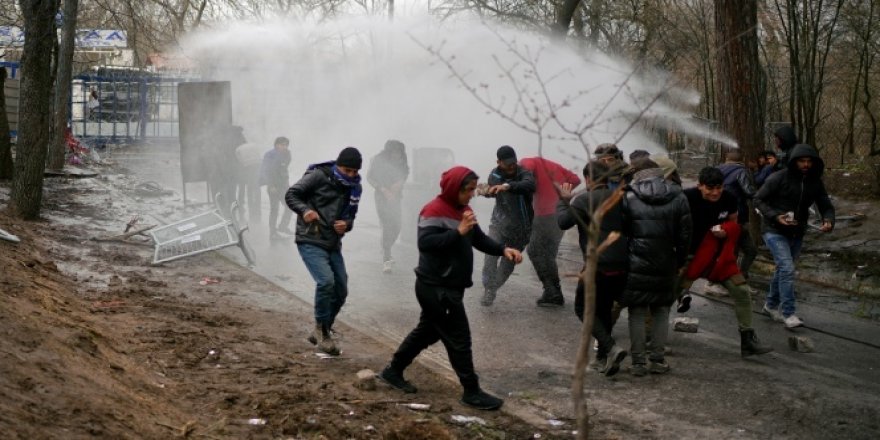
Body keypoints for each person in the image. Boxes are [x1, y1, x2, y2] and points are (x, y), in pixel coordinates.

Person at [377, 166, 523, 410]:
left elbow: (478, 238)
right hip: (436, 288)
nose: (472, 194)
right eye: (468, 190)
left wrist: (503, 249)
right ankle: (471, 391)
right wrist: (458, 232)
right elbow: (425, 243)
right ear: (454, 188)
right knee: (459, 339)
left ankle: (393, 371)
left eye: (474, 190)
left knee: (428, 331)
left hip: (448, 287)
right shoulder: (433, 210)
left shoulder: (463, 209)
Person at [678, 167, 773, 357]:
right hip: (688, 256)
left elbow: (734, 223)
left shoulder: (729, 198)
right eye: (710, 188)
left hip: (716, 257)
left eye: (718, 188)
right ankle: (652, 341)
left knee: (742, 291)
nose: (715, 193)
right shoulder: (686, 198)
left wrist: (726, 230)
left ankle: (747, 341)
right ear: (700, 186)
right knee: (663, 297)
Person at [285, 147, 364, 356]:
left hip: (332, 242)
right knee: (326, 281)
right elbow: (292, 194)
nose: (350, 175)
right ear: (338, 165)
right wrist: (305, 211)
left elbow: (351, 217)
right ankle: (322, 331)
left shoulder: (355, 188)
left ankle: (321, 329)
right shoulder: (318, 175)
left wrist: (346, 225)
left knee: (341, 289)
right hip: (310, 238)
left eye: (354, 172)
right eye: (347, 170)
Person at [557, 160, 629, 376]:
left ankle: (611, 348)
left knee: (583, 309)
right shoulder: (621, 198)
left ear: (588, 179)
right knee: (604, 309)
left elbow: (562, 222)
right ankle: (603, 358)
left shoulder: (583, 200)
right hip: (621, 263)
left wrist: (563, 201)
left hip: (597, 264)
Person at [620, 159, 691, 376]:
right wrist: (679, 261)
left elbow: (622, 232)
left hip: (635, 261)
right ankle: (657, 360)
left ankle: (638, 363)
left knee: (637, 311)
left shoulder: (628, 196)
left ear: (638, 173)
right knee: (661, 310)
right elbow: (685, 234)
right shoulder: (678, 195)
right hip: (665, 261)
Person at [755, 144, 834, 328]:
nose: (805, 165)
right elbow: (758, 199)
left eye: (809, 162)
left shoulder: (815, 182)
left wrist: (828, 220)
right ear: (793, 162)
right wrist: (775, 216)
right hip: (773, 230)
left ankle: (770, 305)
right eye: (801, 161)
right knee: (787, 268)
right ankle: (788, 313)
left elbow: (825, 205)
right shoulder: (778, 178)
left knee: (783, 269)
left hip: (797, 231)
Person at [519, 156, 581, 306]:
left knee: (533, 250)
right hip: (560, 214)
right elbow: (576, 179)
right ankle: (554, 293)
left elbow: (528, 168)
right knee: (549, 254)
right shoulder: (553, 165)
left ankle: (552, 291)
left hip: (545, 214)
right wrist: (563, 191)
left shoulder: (526, 162)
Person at [480, 146, 536, 307]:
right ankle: (488, 289)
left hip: (522, 228)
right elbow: (492, 186)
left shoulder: (524, 172)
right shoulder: (495, 174)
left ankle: (493, 288)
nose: (512, 167)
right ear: (499, 162)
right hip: (498, 224)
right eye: (508, 164)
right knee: (490, 256)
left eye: (514, 163)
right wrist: (487, 191)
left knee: (508, 263)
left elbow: (529, 185)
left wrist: (507, 186)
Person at [366, 140, 410, 273]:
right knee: (386, 224)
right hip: (382, 196)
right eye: (395, 152)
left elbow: (406, 171)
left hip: (396, 196)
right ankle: (386, 258)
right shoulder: (378, 160)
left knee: (397, 226)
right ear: (388, 152)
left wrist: (400, 183)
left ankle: (386, 247)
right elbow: (369, 177)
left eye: (399, 153)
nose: (398, 155)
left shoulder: (402, 158)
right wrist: (383, 189)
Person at [717, 149, 758, 281]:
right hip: (737, 217)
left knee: (746, 250)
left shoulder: (716, 170)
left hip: (720, 216)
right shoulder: (741, 171)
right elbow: (749, 191)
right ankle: (720, 282)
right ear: (741, 160)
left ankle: (738, 280)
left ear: (726, 159)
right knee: (740, 251)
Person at [260, 136, 293, 241]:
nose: (284, 147)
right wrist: (271, 185)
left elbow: (283, 168)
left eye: (286, 145)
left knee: (289, 206)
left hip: (284, 185)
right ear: (276, 144)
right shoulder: (269, 155)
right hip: (273, 186)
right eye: (282, 144)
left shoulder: (287, 154)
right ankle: (273, 233)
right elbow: (265, 171)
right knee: (274, 210)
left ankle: (283, 227)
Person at [231, 127, 262, 225]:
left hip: (243, 170)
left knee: (242, 189)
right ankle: (255, 209)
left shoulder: (235, 144)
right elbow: (258, 156)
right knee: (254, 187)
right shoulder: (245, 141)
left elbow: (237, 158)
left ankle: (241, 209)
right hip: (254, 168)